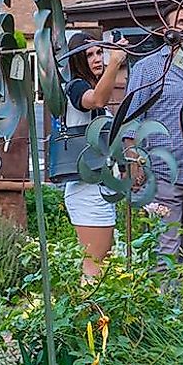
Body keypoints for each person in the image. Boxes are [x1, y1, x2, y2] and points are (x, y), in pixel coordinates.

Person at [121, 7, 183, 263]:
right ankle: (165, 302)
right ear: (167, 31)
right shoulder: (149, 69)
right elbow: (131, 119)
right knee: (164, 250)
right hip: (164, 172)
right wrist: (132, 161)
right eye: (181, 22)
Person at [52, 36, 129, 281]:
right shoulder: (75, 86)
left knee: (99, 260)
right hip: (86, 189)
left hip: (97, 185)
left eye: (99, 53)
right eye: (89, 55)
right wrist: (115, 62)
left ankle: (94, 314)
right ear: (77, 60)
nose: (97, 59)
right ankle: (90, 314)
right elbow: (96, 100)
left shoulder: (92, 85)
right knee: (94, 262)